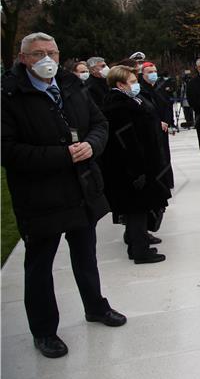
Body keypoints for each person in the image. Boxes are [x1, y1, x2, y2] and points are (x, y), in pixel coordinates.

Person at [1, 32, 126, 359]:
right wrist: (62, 156)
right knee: (40, 265)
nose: (47, 59)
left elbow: (99, 123)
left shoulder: (72, 85)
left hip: (81, 188)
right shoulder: (9, 94)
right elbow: (8, 150)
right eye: (38, 53)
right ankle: (44, 330)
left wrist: (92, 145)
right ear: (24, 57)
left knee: (86, 253)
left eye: (52, 53)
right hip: (40, 195)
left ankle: (95, 306)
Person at [100, 65, 170, 264]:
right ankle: (140, 250)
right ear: (120, 84)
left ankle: (135, 243)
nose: (136, 85)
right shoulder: (119, 107)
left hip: (138, 164)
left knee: (137, 209)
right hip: (132, 168)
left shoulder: (127, 101)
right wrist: (138, 169)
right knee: (137, 209)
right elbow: (128, 140)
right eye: (131, 82)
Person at [139, 62, 175, 190]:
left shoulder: (160, 86)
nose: (153, 74)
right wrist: (157, 122)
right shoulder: (141, 89)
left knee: (165, 153)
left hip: (163, 126)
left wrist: (167, 121)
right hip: (152, 126)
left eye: (154, 71)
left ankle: (167, 180)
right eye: (149, 72)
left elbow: (167, 105)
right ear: (142, 74)